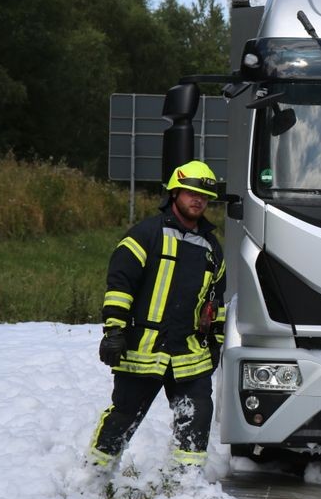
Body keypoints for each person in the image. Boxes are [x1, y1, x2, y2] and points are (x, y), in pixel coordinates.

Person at [87, 160, 226, 475]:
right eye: (191, 193)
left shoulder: (212, 248)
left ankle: (185, 484)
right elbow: (120, 285)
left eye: (204, 196)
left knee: (197, 415)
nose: (198, 200)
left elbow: (216, 303)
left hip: (189, 355)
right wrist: (114, 331)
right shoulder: (146, 234)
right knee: (124, 416)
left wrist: (215, 343)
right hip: (141, 349)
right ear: (175, 193)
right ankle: (92, 476)